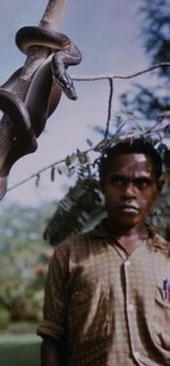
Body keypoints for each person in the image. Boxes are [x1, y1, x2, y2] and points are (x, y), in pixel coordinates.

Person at [37, 138, 170, 366]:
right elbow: (52, 337)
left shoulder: (167, 257)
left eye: (142, 183)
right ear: (102, 185)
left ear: (158, 188)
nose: (129, 192)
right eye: (118, 181)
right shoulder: (69, 255)